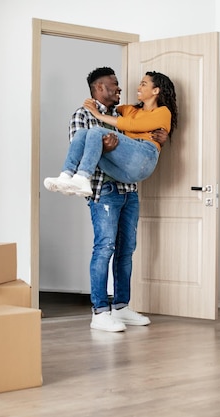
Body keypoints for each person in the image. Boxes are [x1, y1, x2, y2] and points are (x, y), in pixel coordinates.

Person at [51, 67, 170, 332]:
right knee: (105, 248)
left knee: (127, 250)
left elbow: (138, 147)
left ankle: (121, 307)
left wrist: (161, 135)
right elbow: (80, 150)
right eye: (113, 85)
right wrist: (104, 147)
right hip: (103, 192)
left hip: (129, 190)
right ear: (98, 89)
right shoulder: (82, 115)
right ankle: (99, 312)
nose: (119, 89)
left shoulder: (124, 115)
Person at [44, 70, 178, 197]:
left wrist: (97, 115)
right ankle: (66, 176)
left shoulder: (163, 112)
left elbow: (132, 125)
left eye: (143, 84)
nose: (138, 88)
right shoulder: (130, 110)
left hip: (143, 159)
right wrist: (92, 104)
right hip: (124, 171)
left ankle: (83, 177)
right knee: (83, 134)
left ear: (155, 90)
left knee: (96, 131)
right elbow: (106, 106)